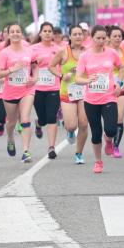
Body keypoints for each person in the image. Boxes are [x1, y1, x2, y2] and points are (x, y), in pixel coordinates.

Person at [74, 26, 124, 174]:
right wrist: (87, 80)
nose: (102, 41)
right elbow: (77, 78)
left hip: (109, 96)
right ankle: (98, 161)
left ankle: (109, 140)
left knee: (111, 129)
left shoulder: (111, 53)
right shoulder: (85, 56)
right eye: (98, 38)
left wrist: (119, 83)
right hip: (91, 99)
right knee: (96, 132)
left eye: (104, 38)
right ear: (91, 38)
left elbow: (121, 68)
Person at [0, 24, 35, 162]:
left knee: (25, 119)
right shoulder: (4, 53)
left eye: (18, 31)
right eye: (12, 32)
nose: (15, 33)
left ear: (22, 34)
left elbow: (35, 66)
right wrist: (12, 69)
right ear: (8, 35)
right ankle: (10, 137)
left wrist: (34, 78)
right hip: (10, 92)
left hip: (27, 90)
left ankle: (26, 151)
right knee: (11, 122)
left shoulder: (29, 50)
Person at [50, 25, 89, 164]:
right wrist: (61, 75)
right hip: (68, 92)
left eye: (80, 34)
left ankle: (79, 153)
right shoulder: (63, 52)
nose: (78, 36)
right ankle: (70, 131)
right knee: (71, 125)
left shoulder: (88, 52)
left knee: (84, 124)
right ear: (70, 36)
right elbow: (51, 66)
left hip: (85, 92)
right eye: (75, 34)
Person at [30, 22, 63, 159]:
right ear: (40, 33)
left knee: (52, 117)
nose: (48, 33)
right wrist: (33, 63)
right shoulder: (33, 49)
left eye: (50, 31)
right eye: (45, 31)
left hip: (53, 87)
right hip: (37, 88)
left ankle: (51, 147)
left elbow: (64, 65)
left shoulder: (59, 49)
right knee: (43, 119)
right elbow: (27, 66)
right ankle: (38, 123)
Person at [108, 26, 124, 158]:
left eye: (119, 36)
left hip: (122, 89)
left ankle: (116, 146)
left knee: (120, 117)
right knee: (110, 121)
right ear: (109, 38)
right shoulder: (105, 52)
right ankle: (108, 139)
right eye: (114, 36)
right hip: (107, 91)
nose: (117, 38)